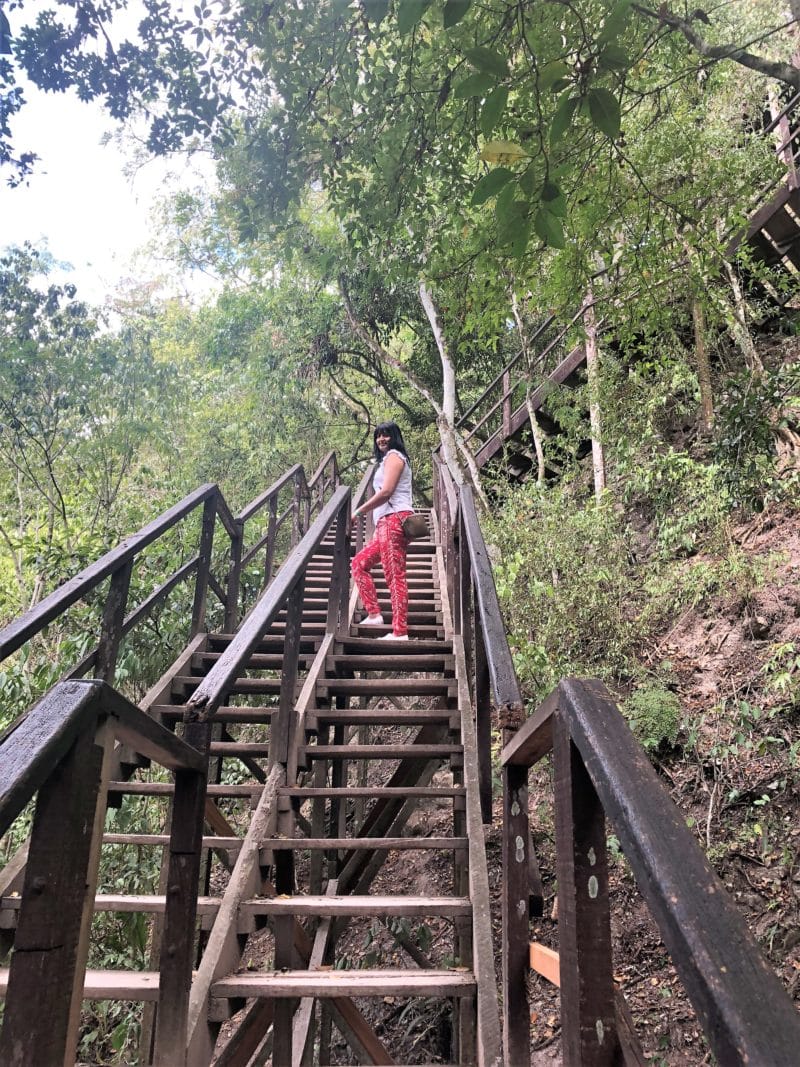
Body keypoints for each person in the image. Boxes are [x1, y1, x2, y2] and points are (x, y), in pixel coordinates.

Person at [351, 421, 413, 641]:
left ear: (394, 437)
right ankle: (374, 613)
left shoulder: (395, 457)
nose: (381, 440)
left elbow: (386, 491)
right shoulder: (385, 461)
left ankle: (400, 631)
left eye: (386, 435)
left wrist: (358, 512)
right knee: (359, 564)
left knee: (394, 575)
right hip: (384, 525)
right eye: (378, 436)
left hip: (394, 522)